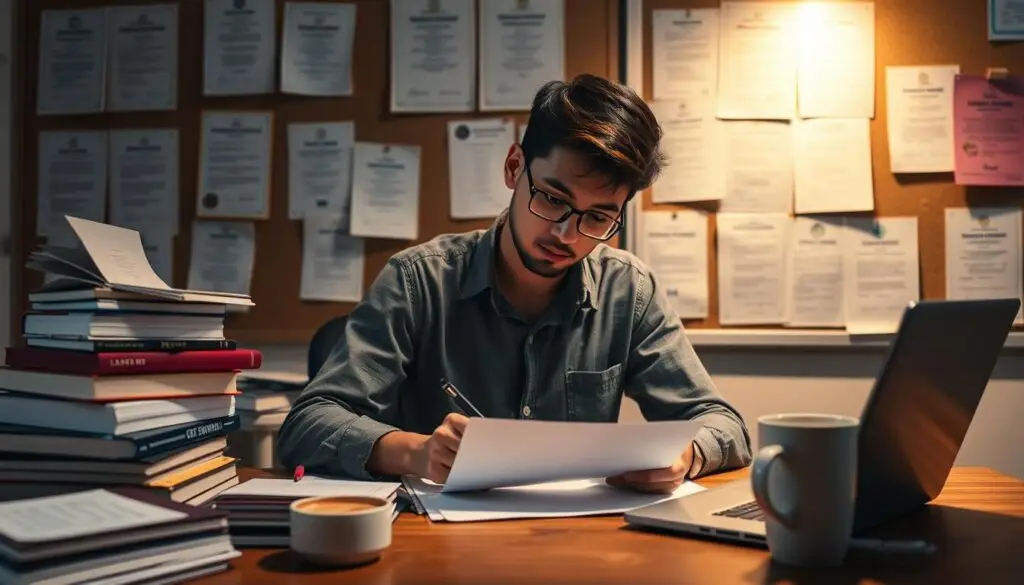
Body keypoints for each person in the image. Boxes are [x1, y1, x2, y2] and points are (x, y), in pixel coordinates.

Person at [276, 74, 752, 494]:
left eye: (598, 217)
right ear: (513, 168)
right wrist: (415, 452)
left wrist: (685, 454)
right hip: (435, 546)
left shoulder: (629, 292)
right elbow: (307, 424)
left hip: (575, 548)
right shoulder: (418, 281)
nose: (566, 234)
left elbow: (723, 425)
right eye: (551, 198)